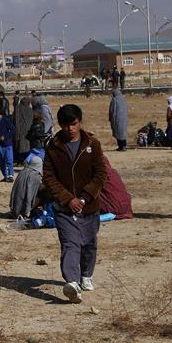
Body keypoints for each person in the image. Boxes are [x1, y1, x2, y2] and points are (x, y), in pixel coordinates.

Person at [43, 104, 108, 304]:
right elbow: (49, 177)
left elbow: (101, 173)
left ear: (80, 122)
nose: (70, 129)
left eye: (73, 124)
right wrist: (67, 199)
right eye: (65, 125)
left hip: (89, 207)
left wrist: (85, 197)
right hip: (64, 208)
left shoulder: (93, 145)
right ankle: (72, 283)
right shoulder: (53, 147)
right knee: (70, 245)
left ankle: (86, 275)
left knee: (89, 244)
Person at [0, 106, 14, 182]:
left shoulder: (6, 120)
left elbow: (13, 130)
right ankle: (5, 176)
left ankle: (10, 175)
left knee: (9, 159)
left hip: (7, 143)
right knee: (1, 161)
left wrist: (6, 136)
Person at [14, 93, 33, 163]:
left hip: (20, 130)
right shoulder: (30, 110)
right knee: (26, 147)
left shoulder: (18, 108)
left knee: (20, 146)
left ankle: (20, 160)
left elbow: (16, 120)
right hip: (28, 130)